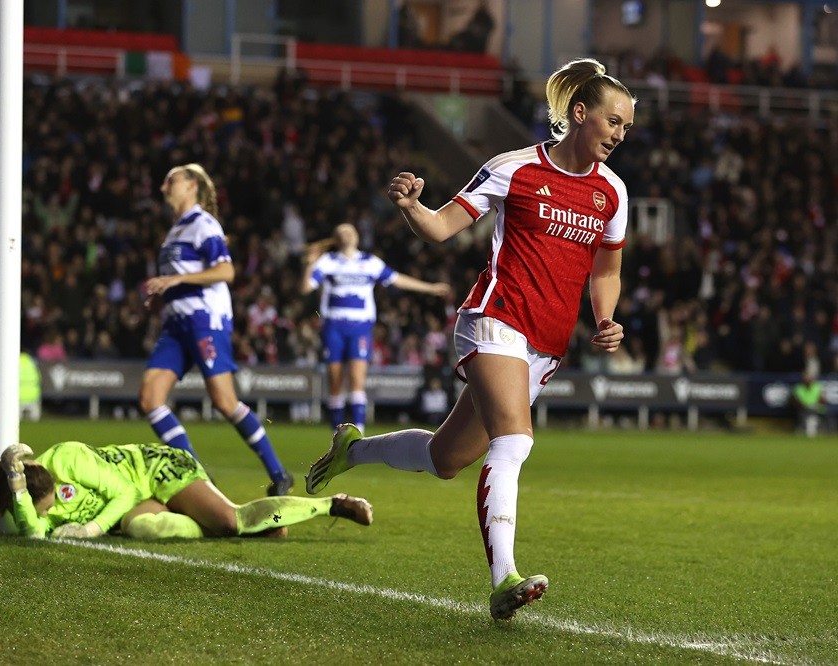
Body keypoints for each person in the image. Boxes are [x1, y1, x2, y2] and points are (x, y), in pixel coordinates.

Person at [305, 58, 634, 621]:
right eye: (613, 121)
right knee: (516, 440)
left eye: (627, 127)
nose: (619, 134)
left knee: (445, 458)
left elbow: (606, 270)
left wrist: (605, 317)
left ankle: (352, 450)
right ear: (580, 115)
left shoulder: (613, 193)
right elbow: (441, 226)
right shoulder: (514, 169)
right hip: (494, 318)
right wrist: (412, 207)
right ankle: (503, 576)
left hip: (546, 345)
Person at [140, 163, 293, 496]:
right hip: (176, 321)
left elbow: (226, 271)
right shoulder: (175, 230)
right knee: (150, 399)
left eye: (172, 180)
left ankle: (279, 473)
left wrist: (177, 279)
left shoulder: (203, 224)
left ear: (192, 185)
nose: (164, 186)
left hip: (204, 319)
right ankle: (200, 479)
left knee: (224, 401)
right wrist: (160, 296)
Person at [0, 442, 372, 540]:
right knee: (145, 529)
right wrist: (19, 493)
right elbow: (33, 531)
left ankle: (330, 504)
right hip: (132, 496)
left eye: (46, 506)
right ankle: (267, 527)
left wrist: (93, 529)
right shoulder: (26, 500)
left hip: (154, 468)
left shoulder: (67, 459)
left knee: (230, 521)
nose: (49, 514)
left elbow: (125, 494)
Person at [301, 222, 450, 434]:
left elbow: (397, 279)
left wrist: (430, 288)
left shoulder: (369, 262)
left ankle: (358, 433)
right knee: (335, 382)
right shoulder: (328, 262)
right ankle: (337, 434)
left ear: (357, 237)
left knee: (356, 379)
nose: (348, 234)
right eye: (342, 231)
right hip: (334, 326)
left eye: (350, 230)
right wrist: (310, 264)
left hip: (360, 327)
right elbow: (306, 287)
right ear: (336, 239)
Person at [792, 370, 828, 437]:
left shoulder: (818, 386)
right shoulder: (799, 388)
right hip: (804, 409)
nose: (807, 379)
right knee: (804, 414)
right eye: (805, 377)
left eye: (808, 377)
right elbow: (795, 400)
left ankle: (818, 430)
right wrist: (805, 406)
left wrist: (815, 405)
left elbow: (823, 400)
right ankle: (804, 430)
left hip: (816, 409)